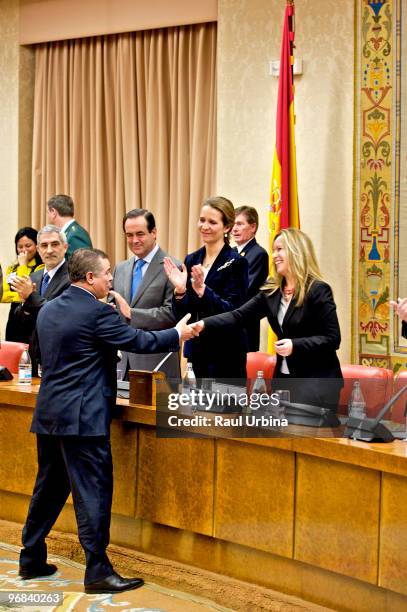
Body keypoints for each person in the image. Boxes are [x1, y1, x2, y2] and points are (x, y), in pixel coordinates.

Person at [19, 248, 198, 593]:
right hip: (84, 419)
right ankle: (98, 570)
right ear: (89, 278)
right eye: (105, 275)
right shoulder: (96, 313)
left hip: (50, 413)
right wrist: (179, 334)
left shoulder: (49, 309)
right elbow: (140, 341)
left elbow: (41, 356)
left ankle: (31, 556)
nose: (110, 281)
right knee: (94, 492)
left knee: (49, 487)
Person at [194, 228, 343, 408]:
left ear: (296, 251)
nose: (274, 255)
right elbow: (238, 316)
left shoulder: (318, 290)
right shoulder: (272, 291)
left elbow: (333, 339)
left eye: (280, 249)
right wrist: (203, 324)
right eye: (273, 250)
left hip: (317, 384)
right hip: (285, 382)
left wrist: (295, 345)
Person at [164, 196, 249, 380]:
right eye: (202, 220)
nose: (205, 226)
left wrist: (203, 290)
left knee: (223, 408)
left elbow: (234, 313)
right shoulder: (191, 259)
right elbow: (182, 315)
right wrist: (180, 292)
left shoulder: (236, 262)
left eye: (212, 222)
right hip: (197, 352)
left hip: (226, 354)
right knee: (192, 408)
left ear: (227, 227)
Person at [111, 209, 181, 380]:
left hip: (157, 364)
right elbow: (114, 307)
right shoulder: (120, 268)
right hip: (121, 363)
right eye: (129, 235)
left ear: (154, 232)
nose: (134, 240)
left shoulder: (173, 267)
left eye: (140, 234)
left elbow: (171, 314)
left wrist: (131, 313)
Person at [10, 225, 70, 373]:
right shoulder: (33, 277)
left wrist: (31, 296)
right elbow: (19, 320)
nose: (49, 250)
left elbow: (58, 314)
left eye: (54, 244)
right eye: (44, 245)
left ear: (65, 247)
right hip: (33, 357)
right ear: (38, 249)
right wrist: (25, 304)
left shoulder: (73, 277)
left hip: (61, 359)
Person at [232, 205, 269, 351]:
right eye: (233, 224)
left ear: (253, 227)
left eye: (240, 224)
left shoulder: (258, 254)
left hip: (244, 326)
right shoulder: (230, 252)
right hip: (228, 324)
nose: (234, 229)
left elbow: (245, 290)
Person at [1, 227, 44, 343]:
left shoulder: (41, 268)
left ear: (36, 245)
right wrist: (20, 297)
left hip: (31, 317)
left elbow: (24, 290)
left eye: (28, 245)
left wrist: (23, 266)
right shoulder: (12, 268)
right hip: (14, 317)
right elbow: (3, 295)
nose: (23, 250)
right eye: (20, 247)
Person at [47, 194, 92, 259]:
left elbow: (82, 266)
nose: (48, 216)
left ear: (53, 212)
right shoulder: (69, 232)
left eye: (48, 212)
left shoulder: (75, 235)